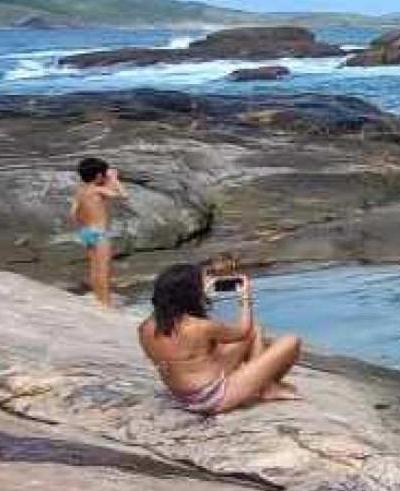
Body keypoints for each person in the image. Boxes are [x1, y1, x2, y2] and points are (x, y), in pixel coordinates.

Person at [137, 263, 302, 416]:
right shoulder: (198, 327)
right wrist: (245, 299)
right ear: (191, 293)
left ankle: (266, 386)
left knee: (255, 331)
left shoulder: (145, 328)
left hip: (182, 395)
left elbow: (190, 352)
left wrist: (199, 299)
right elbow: (244, 330)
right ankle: (265, 389)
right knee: (291, 341)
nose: (207, 284)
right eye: (202, 283)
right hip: (212, 398)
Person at [70, 157, 127, 308]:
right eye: (103, 175)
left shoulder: (80, 191)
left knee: (94, 267)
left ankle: (97, 297)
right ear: (99, 176)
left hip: (86, 232)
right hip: (100, 233)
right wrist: (115, 179)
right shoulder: (98, 189)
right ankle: (105, 302)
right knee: (104, 269)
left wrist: (82, 225)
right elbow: (123, 195)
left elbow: (73, 213)